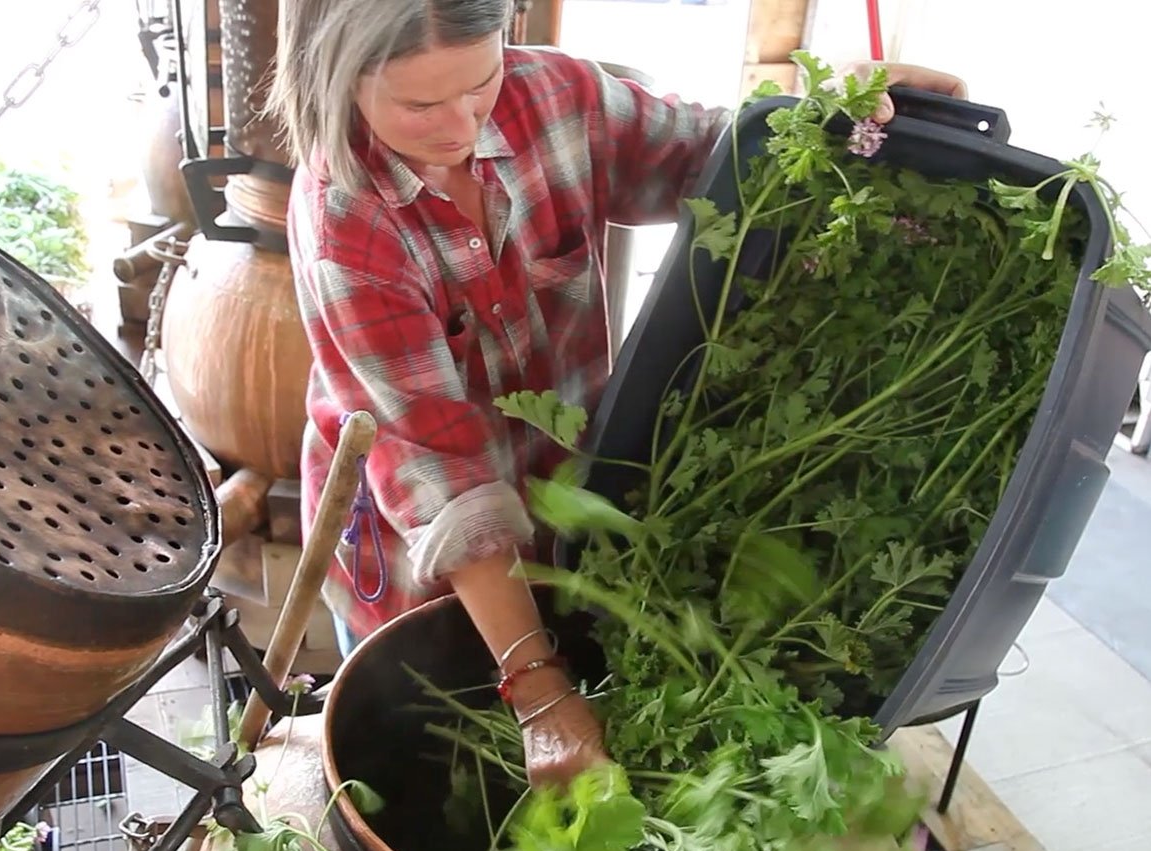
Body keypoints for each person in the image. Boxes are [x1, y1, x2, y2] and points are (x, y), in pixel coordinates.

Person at [268, 0, 966, 789]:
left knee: (576, 745)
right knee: (435, 758)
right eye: (420, 104)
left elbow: (719, 157)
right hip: (418, 545)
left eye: (481, 83)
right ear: (334, 78)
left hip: (564, 498)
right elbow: (441, 472)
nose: (462, 125)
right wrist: (534, 688)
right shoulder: (345, 227)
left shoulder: (559, 101)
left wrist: (832, 114)